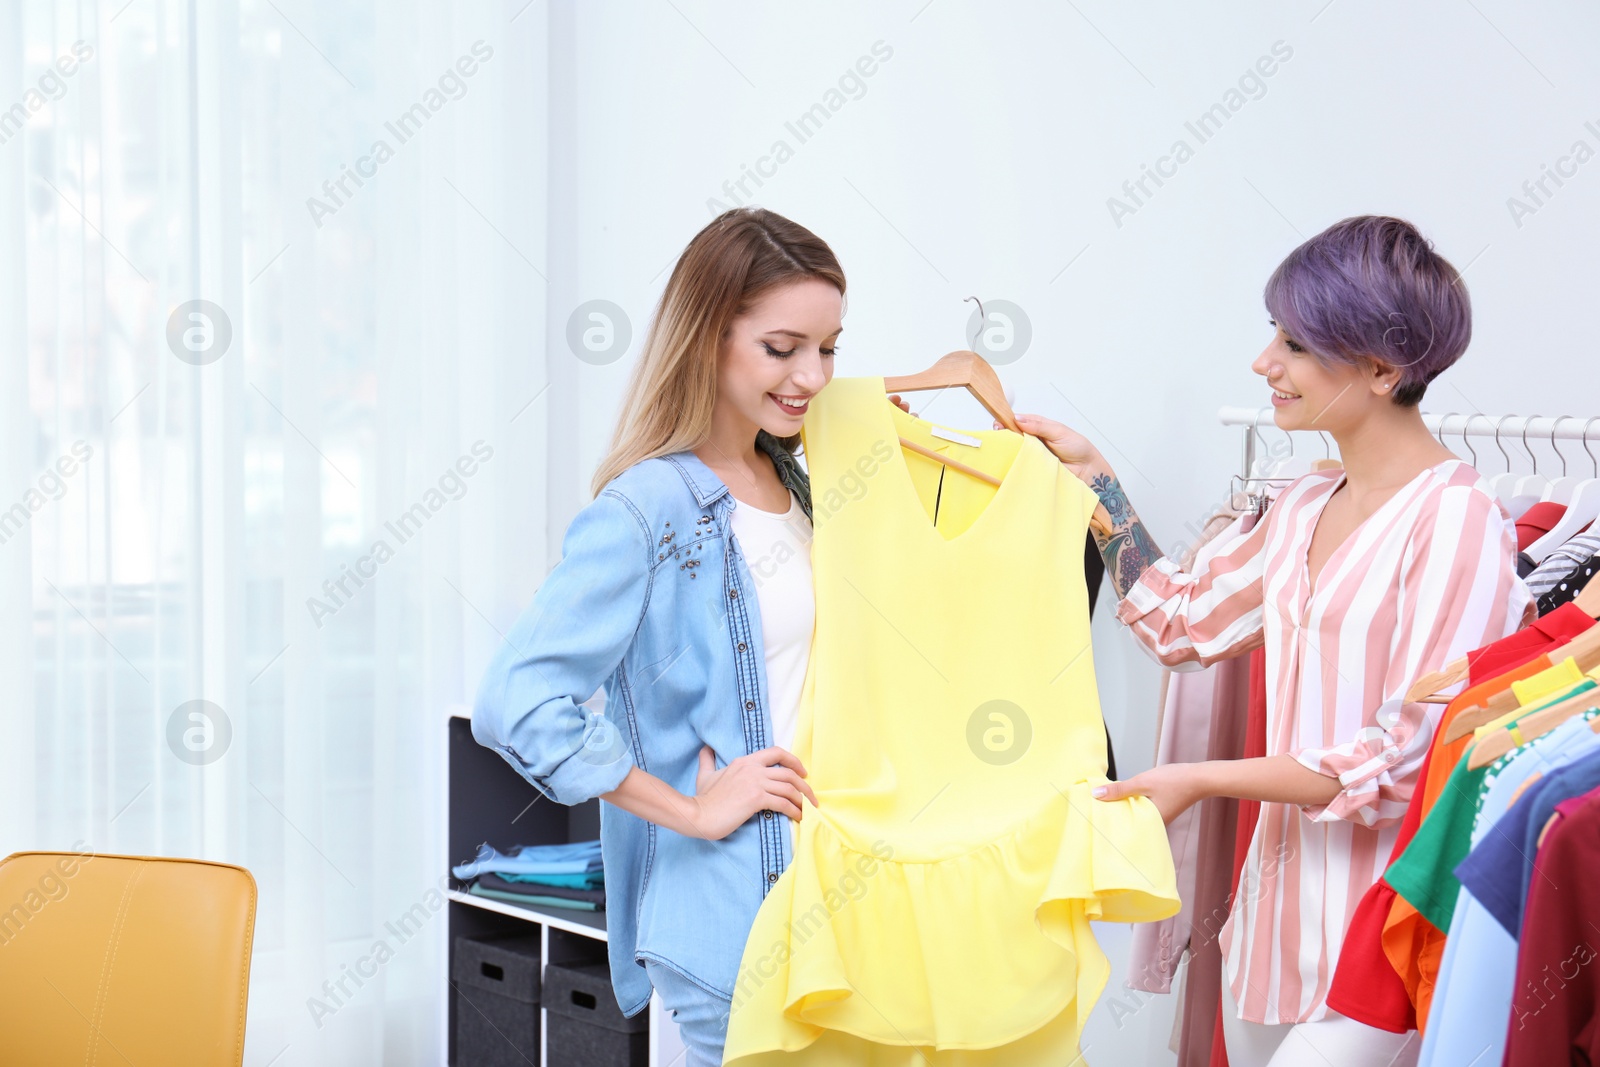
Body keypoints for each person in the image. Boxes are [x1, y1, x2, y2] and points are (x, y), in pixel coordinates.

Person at [1023, 216, 1533, 1067]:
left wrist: (1200, 777)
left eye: (1296, 343)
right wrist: (1095, 478)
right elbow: (1180, 619)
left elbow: (1405, 759)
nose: (1265, 362)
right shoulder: (1302, 503)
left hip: (1382, 936)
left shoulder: (1458, 520)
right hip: (1268, 931)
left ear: (1381, 368)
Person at [471, 207, 838, 1066]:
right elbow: (516, 701)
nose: (813, 375)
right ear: (709, 339)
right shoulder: (649, 508)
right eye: (783, 348)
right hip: (733, 914)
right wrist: (694, 811)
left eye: (830, 348)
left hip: (824, 900)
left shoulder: (792, 478)